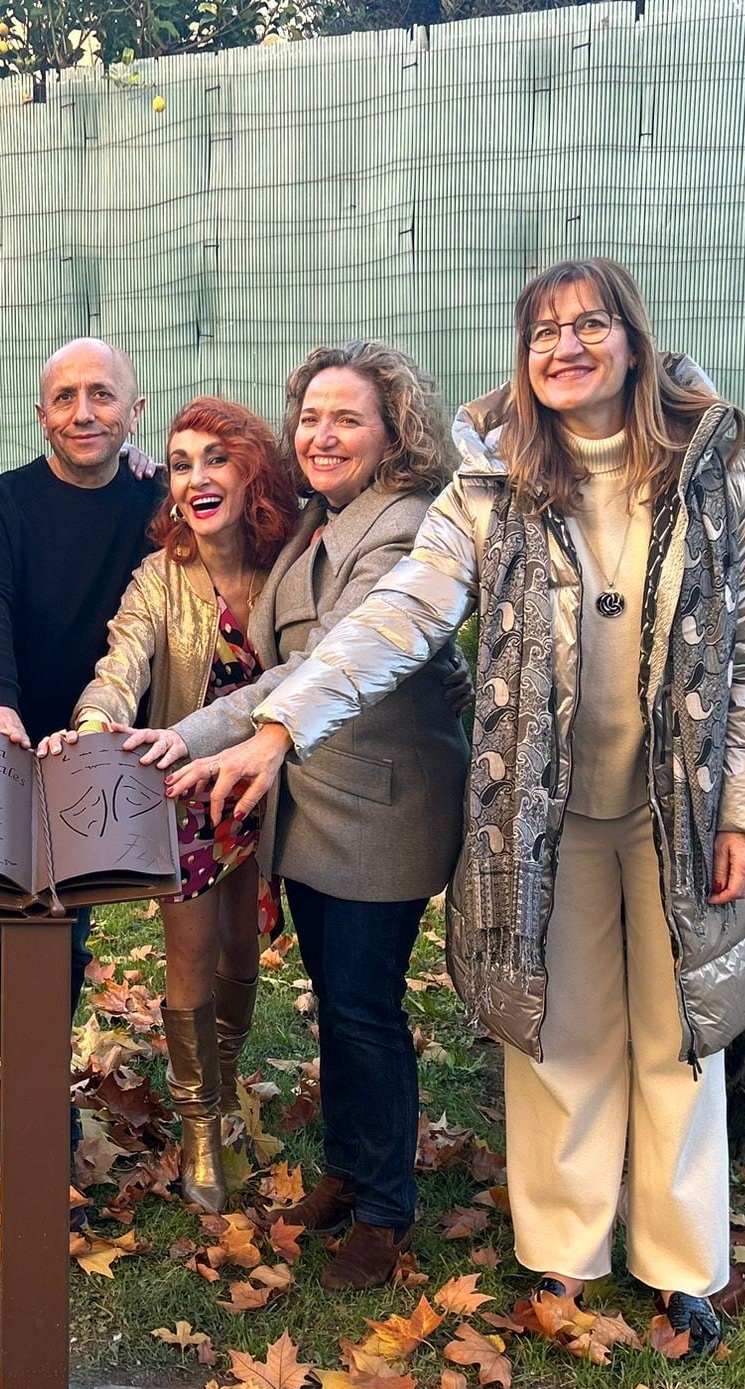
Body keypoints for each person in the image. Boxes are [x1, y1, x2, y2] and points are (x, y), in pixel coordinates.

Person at [170, 258, 745, 1350]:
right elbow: (398, 616)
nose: (562, 347)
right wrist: (279, 726)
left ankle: (681, 1260)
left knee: (676, 1033)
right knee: (555, 1028)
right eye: (540, 331)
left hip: (681, 810)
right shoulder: (493, 481)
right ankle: (561, 1254)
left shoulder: (720, 473)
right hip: (540, 812)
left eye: (585, 325)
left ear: (630, 338)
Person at [140, 342, 471, 1289]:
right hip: (322, 806)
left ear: (394, 433)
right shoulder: (322, 520)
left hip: (381, 810)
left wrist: (194, 734)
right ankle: (348, 1171)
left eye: (347, 419)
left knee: (365, 1009)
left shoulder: (401, 527)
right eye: (312, 418)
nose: (322, 436)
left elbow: (316, 664)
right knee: (338, 1003)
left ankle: (383, 1213)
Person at [38, 397, 299, 1213]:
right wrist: (92, 725)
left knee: (241, 953)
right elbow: (123, 662)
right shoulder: (161, 576)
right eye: (181, 463)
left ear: (251, 469)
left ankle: (223, 1086)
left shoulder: (290, 563)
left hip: (271, 789)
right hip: (186, 791)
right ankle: (198, 1128)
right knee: (190, 956)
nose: (195, 478)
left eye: (215, 459)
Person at [0, 337, 157, 1043]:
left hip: (104, 746)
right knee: (18, 929)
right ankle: (33, 1105)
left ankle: (37, 1102)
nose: (83, 413)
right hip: (11, 742)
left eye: (101, 394)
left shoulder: (159, 503)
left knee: (64, 934)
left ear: (135, 412)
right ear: (42, 415)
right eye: (65, 398)